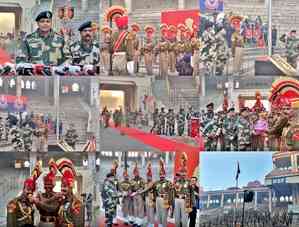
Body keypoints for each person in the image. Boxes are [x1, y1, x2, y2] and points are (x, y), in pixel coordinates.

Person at [7, 162, 41, 227]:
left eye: (32, 191)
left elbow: (31, 220)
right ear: (23, 189)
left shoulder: (30, 203)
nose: (29, 192)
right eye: (28, 189)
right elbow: (10, 224)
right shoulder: (13, 203)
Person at [56, 158, 85, 226]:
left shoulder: (77, 204)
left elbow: (79, 224)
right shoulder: (62, 202)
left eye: (65, 186)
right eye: (61, 186)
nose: (62, 188)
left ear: (71, 187)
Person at [34, 159, 60, 227]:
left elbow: (52, 208)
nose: (48, 189)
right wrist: (36, 201)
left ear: (53, 186)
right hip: (42, 222)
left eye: (50, 186)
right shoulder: (41, 195)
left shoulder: (56, 195)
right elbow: (38, 208)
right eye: (46, 186)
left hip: (53, 223)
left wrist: (40, 201)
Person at [173, 153, 194, 227]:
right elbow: (173, 191)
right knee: (177, 218)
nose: (182, 174)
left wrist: (191, 205)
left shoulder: (189, 182)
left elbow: (192, 194)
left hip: (185, 200)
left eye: (184, 172)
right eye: (181, 172)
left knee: (184, 218)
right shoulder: (176, 181)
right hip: (177, 199)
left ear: (186, 173)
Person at [154, 159, 173, 227]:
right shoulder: (156, 183)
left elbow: (171, 193)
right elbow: (154, 191)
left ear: (165, 174)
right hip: (158, 199)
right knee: (158, 213)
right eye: (160, 174)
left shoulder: (168, 183)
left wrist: (170, 203)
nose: (161, 175)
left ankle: (164, 225)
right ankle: (159, 225)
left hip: (165, 199)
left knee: (164, 214)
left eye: (163, 174)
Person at [131, 162, 145, 226]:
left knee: (140, 208)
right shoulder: (132, 180)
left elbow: (143, 187)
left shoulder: (142, 179)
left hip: (139, 195)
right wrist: (131, 193)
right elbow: (130, 187)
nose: (136, 173)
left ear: (138, 173)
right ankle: (136, 221)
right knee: (135, 208)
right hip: (134, 195)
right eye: (135, 172)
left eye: (137, 172)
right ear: (134, 173)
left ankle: (140, 222)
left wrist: (138, 191)